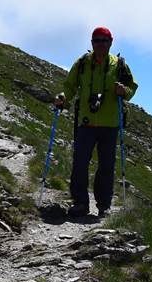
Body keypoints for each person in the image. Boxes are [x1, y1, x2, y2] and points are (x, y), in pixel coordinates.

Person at [54, 27, 138, 217]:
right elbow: (70, 86)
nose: (100, 44)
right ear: (92, 43)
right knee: (80, 164)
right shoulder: (83, 63)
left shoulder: (120, 65)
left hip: (110, 123)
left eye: (104, 40)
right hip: (86, 122)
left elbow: (132, 87)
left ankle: (104, 205)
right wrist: (62, 98)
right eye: (97, 40)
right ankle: (81, 203)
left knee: (106, 167)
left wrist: (124, 92)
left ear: (111, 42)